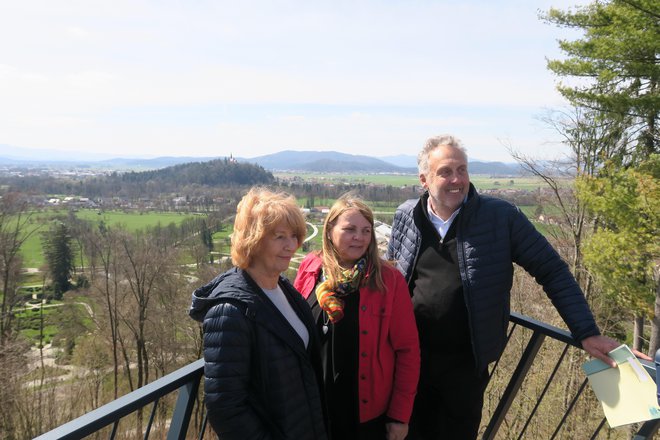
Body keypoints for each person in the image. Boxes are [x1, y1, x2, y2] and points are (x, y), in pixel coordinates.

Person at [386, 134, 648, 440]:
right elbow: (390, 278)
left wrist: (586, 332)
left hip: (464, 367)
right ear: (424, 179)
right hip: (407, 361)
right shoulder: (408, 215)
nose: (457, 179)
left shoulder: (499, 217)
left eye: (462, 170)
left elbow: (551, 270)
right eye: (445, 171)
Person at [189, 187, 327, 440]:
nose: (292, 245)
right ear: (253, 238)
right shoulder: (229, 312)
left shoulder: (284, 288)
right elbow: (226, 409)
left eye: (294, 236)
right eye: (279, 237)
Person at [294, 194, 420, 440]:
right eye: (350, 229)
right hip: (312, 404)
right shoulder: (311, 267)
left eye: (365, 230)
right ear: (330, 230)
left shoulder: (388, 280)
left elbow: (408, 351)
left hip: (364, 412)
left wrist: (399, 416)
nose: (359, 237)